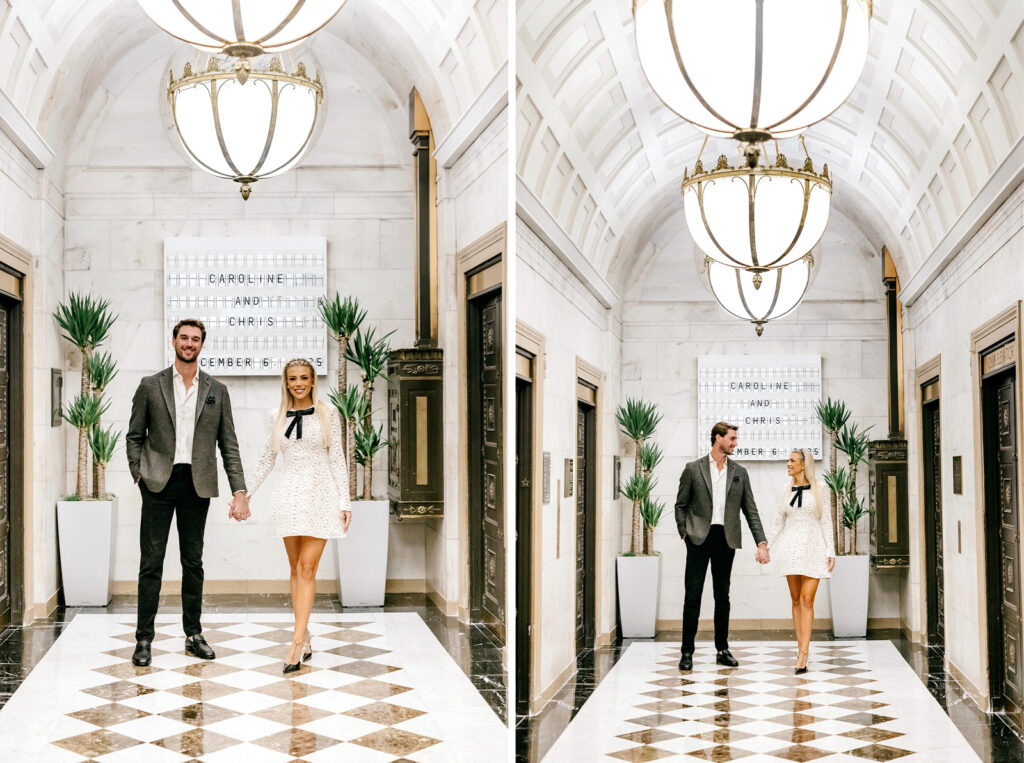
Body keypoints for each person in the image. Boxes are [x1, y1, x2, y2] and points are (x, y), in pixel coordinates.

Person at [126, 319, 249, 667]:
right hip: (158, 484)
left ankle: (194, 634)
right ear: (174, 341)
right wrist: (139, 473)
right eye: (184, 337)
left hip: (197, 485)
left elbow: (230, 446)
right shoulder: (151, 385)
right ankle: (144, 639)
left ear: (201, 344)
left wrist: (239, 490)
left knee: (192, 562)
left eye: (195, 339)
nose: (189, 343)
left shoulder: (216, 390)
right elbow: (134, 435)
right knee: (151, 563)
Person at [232, 358, 352, 672]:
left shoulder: (328, 414)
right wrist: (245, 494)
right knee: (294, 568)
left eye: (303, 378)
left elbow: (338, 459)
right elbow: (266, 459)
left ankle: (297, 642)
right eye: (292, 379)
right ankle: (306, 632)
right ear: (286, 383)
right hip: (288, 496)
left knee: (307, 568)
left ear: (312, 381)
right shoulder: (277, 416)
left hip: (320, 495)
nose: (298, 383)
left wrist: (345, 502)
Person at [674, 422, 769, 671]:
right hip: (698, 538)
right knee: (692, 596)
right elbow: (680, 504)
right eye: (732, 438)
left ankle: (722, 649)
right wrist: (684, 532)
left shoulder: (739, 472)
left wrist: (762, 541)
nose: (736, 443)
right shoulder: (693, 469)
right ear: (718, 438)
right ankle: (687, 652)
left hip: (725, 539)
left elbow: (751, 510)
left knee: (722, 596)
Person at [765, 448, 835, 674]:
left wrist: (830, 551)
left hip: (813, 547)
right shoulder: (787, 489)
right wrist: (765, 544)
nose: (788, 463)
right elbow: (779, 521)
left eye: (792, 461)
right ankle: (800, 649)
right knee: (796, 600)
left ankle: (805, 653)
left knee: (807, 599)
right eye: (789, 460)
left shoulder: (821, 488)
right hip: (790, 548)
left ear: (804, 465)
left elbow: (826, 521)